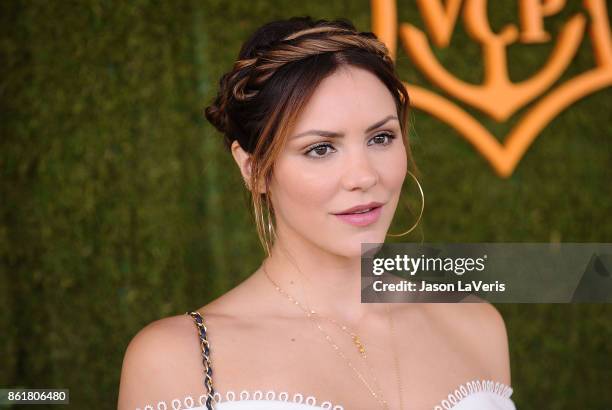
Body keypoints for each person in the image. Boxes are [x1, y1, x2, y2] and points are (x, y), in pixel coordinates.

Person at [118, 16, 515, 410]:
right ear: (253, 168)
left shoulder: (475, 325)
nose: (363, 176)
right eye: (320, 148)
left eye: (381, 138)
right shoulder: (175, 361)